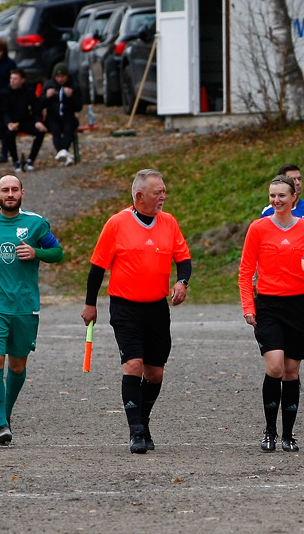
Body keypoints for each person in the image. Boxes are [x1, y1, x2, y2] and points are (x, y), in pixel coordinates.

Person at [82, 169, 192, 453]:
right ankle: (136, 431)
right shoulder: (117, 223)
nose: (164, 196)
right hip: (125, 307)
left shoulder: (168, 223)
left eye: (164, 191)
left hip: (157, 308)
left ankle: (143, 420)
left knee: (155, 373)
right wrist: (90, 303)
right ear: (140, 196)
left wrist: (182, 282)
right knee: (133, 366)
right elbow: (97, 268)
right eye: (159, 192)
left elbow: (184, 258)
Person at [0, 174, 63, 445]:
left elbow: (58, 253)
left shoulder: (36, 223)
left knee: (17, 366)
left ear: (23, 193)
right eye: (5, 190)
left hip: (25, 306)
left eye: (14, 190)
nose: (10, 194)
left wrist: (37, 253)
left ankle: (5, 417)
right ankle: (1, 424)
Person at [240, 175, 304, 452]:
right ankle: (270, 432)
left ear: (293, 197)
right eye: (272, 195)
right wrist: (249, 307)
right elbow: (246, 272)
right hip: (269, 306)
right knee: (274, 366)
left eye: (281, 195)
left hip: (297, 306)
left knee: (291, 371)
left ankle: (288, 434)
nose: (276, 200)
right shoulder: (258, 228)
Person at [2, 68, 45, 172]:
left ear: (22, 80)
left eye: (15, 79)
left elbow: (35, 108)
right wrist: (8, 123)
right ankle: (15, 161)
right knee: (9, 134)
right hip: (12, 122)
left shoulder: (28, 91)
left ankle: (31, 159)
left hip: (25, 120)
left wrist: (38, 121)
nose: (12, 81)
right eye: (11, 78)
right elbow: (4, 111)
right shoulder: (5, 93)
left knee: (40, 132)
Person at [40, 63, 81, 166]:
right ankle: (63, 152)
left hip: (68, 116)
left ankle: (63, 152)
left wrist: (70, 97)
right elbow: (40, 104)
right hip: (53, 117)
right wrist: (47, 96)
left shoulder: (74, 86)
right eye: (58, 77)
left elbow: (79, 107)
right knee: (55, 130)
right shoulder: (49, 85)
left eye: (63, 76)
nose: (60, 79)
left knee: (69, 129)